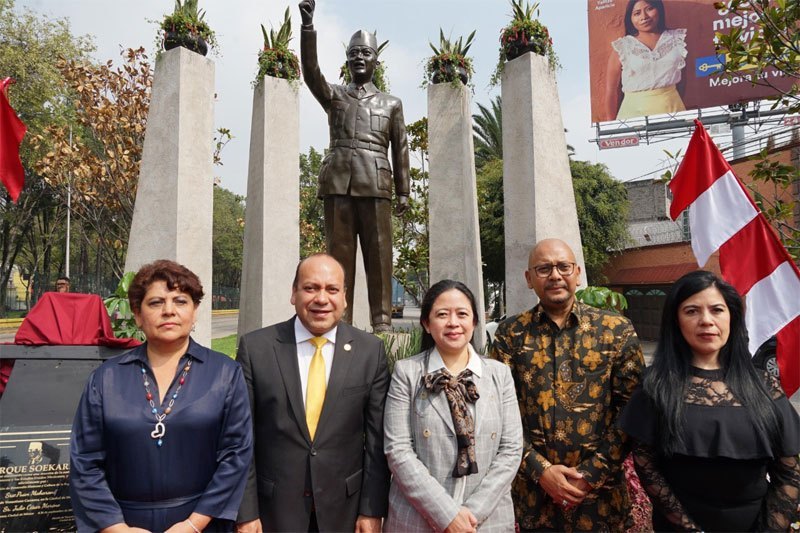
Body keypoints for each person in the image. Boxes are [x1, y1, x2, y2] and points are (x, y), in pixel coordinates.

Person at [69, 259, 253, 532]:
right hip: (123, 522)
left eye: (180, 301)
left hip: (202, 523)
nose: (169, 311)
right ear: (137, 314)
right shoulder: (106, 378)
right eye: (156, 303)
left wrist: (193, 524)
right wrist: (116, 528)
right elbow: (85, 461)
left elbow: (236, 455)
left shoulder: (225, 373)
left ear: (195, 311)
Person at [618, 270, 800, 531]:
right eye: (692, 311)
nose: (706, 321)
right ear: (676, 321)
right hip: (678, 525)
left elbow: (789, 471)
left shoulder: (765, 386)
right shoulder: (656, 385)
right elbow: (647, 466)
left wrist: (770, 529)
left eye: (717, 310)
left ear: (732, 317)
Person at [490, 238, 645, 532]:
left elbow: (633, 411)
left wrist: (590, 474)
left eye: (563, 266)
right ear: (529, 278)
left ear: (578, 272)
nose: (555, 275)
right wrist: (541, 471)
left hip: (601, 498)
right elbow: (497, 414)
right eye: (544, 268)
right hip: (536, 499)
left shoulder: (615, 330)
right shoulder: (510, 335)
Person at [235, 253, 390, 533]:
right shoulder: (256, 349)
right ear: (294, 293)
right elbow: (241, 438)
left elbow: (378, 441)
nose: (321, 299)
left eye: (332, 289)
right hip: (273, 511)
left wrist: (371, 508)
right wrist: (245, 512)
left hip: (345, 510)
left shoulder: (370, 351)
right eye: (310, 288)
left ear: (344, 297)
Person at [299, 0, 410, 333]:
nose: (359, 57)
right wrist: (308, 28)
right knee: (339, 258)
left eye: (365, 52)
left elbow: (401, 149)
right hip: (338, 185)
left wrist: (404, 192)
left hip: (376, 185)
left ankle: (382, 321)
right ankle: (340, 321)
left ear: (376, 60)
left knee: (379, 256)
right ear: (347, 60)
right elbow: (310, 71)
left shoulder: (391, 103)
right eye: (354, 53)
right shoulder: (334, 96)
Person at [384, 280, 523, 532]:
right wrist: (447, 515)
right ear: (426, 323)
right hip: (419, 520)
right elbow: (398, 450)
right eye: (442, 315)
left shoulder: (499, 374)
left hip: (485, 520)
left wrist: (470, 514)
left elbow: (511, 449)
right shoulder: (407, 373)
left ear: (475, 322)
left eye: (462, 314)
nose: (453, 323)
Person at [605, 0, 687, 120]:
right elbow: (611, 91)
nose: (644, 17)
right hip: (632, 116)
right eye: (637, 13)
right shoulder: (623, 47)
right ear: (630, 19)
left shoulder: (676, 39)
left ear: (659, 9)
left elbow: (683, 79)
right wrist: (610, 126)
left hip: (673, 111)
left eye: (649, 9)